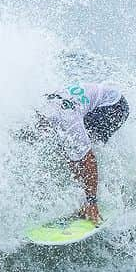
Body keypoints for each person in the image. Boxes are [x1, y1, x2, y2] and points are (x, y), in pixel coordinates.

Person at [40, 82, 129, 224]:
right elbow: (70, 155)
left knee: (86, 152)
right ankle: (87, 195)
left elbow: (88, 159)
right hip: (93, 103)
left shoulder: (66, 119)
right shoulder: (42, 109)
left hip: (113, 106)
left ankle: (95, 201)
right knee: (72, 149)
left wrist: (90, 200)